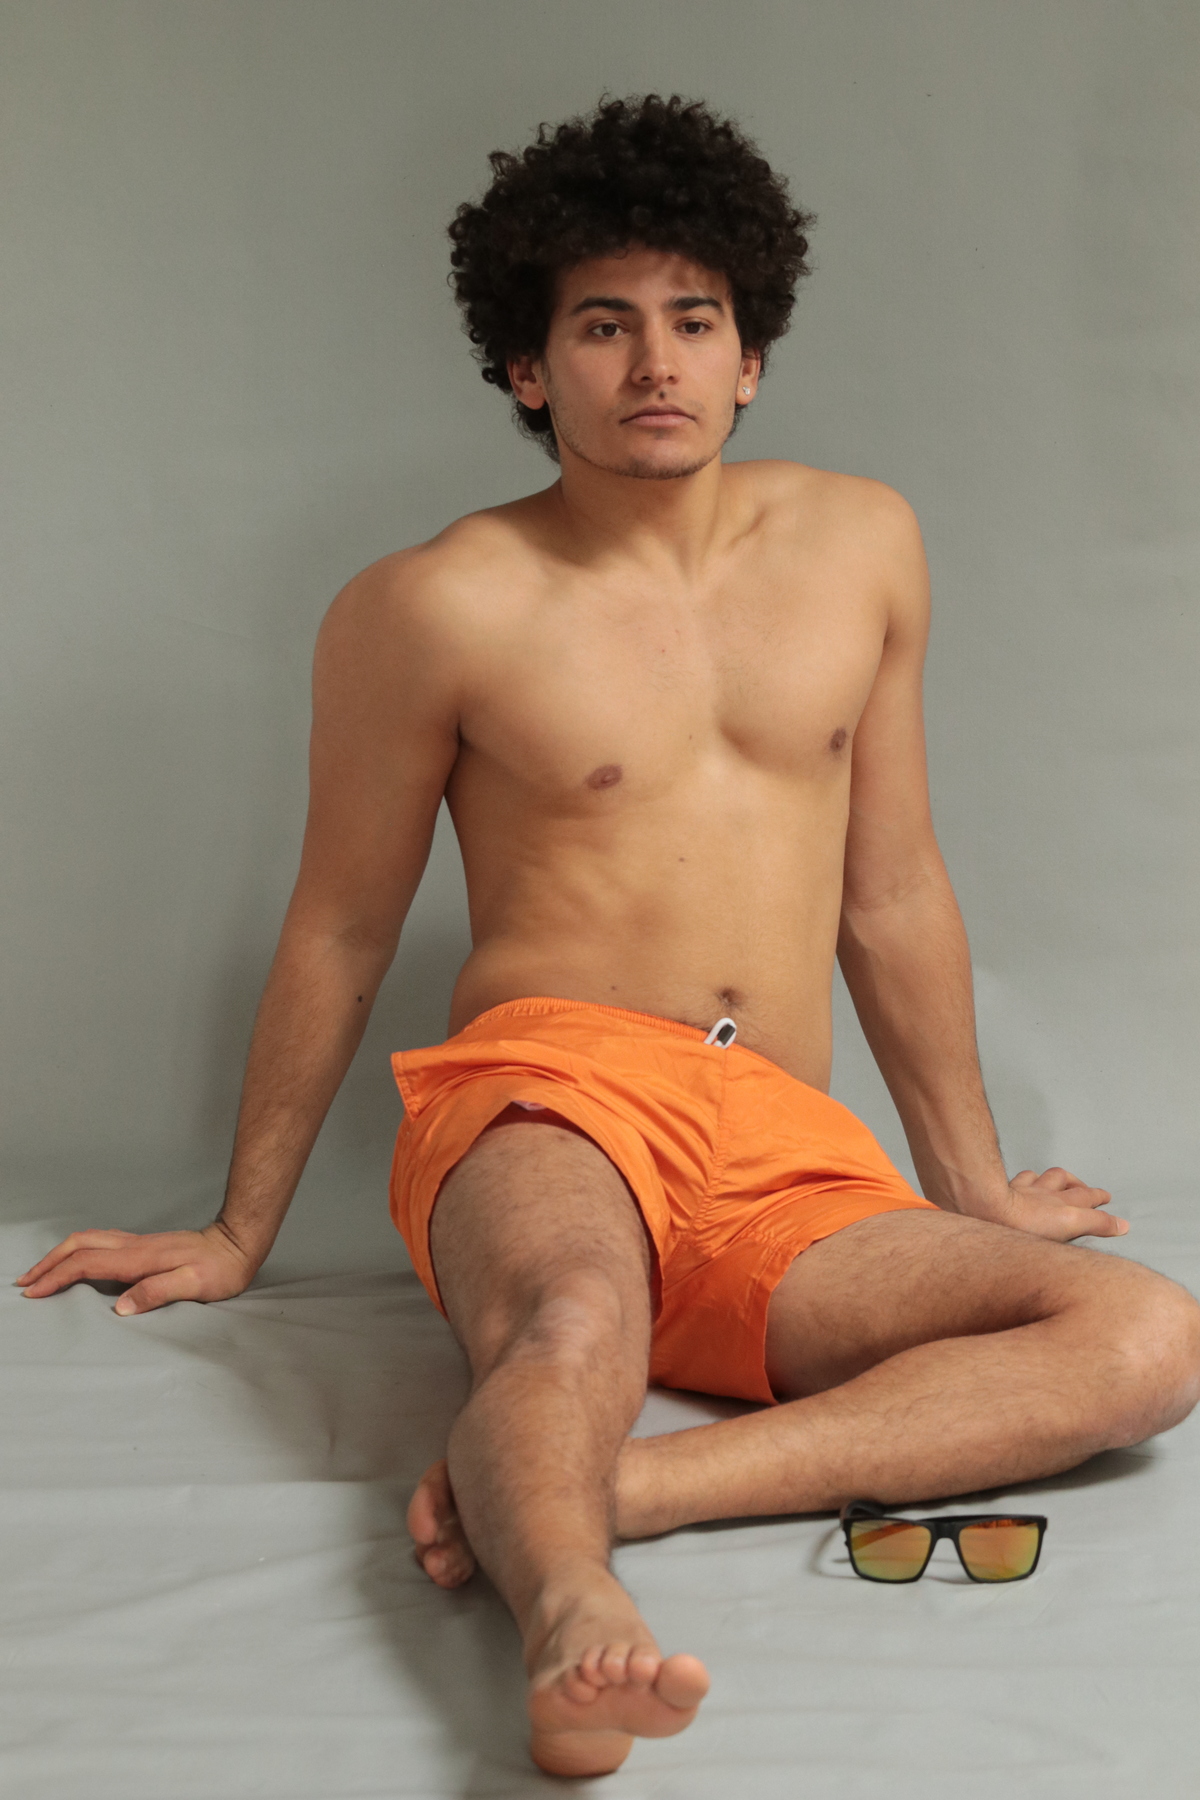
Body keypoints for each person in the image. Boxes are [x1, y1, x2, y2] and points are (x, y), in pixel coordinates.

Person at [17, 95, 1200, 1779]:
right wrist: (235, 1228)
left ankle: (613, 1488)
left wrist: (976, 1187)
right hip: (549, 1093)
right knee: (572, 1324)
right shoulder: (430, 605)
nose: (655, 362)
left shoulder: (864, 545)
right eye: (601, 325)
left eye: (693, 320)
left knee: (1144, 1336)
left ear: (751, 356)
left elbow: (891, 893)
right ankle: (572, 1610)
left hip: (783, 1141)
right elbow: (341, 928)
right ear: (527, 366)